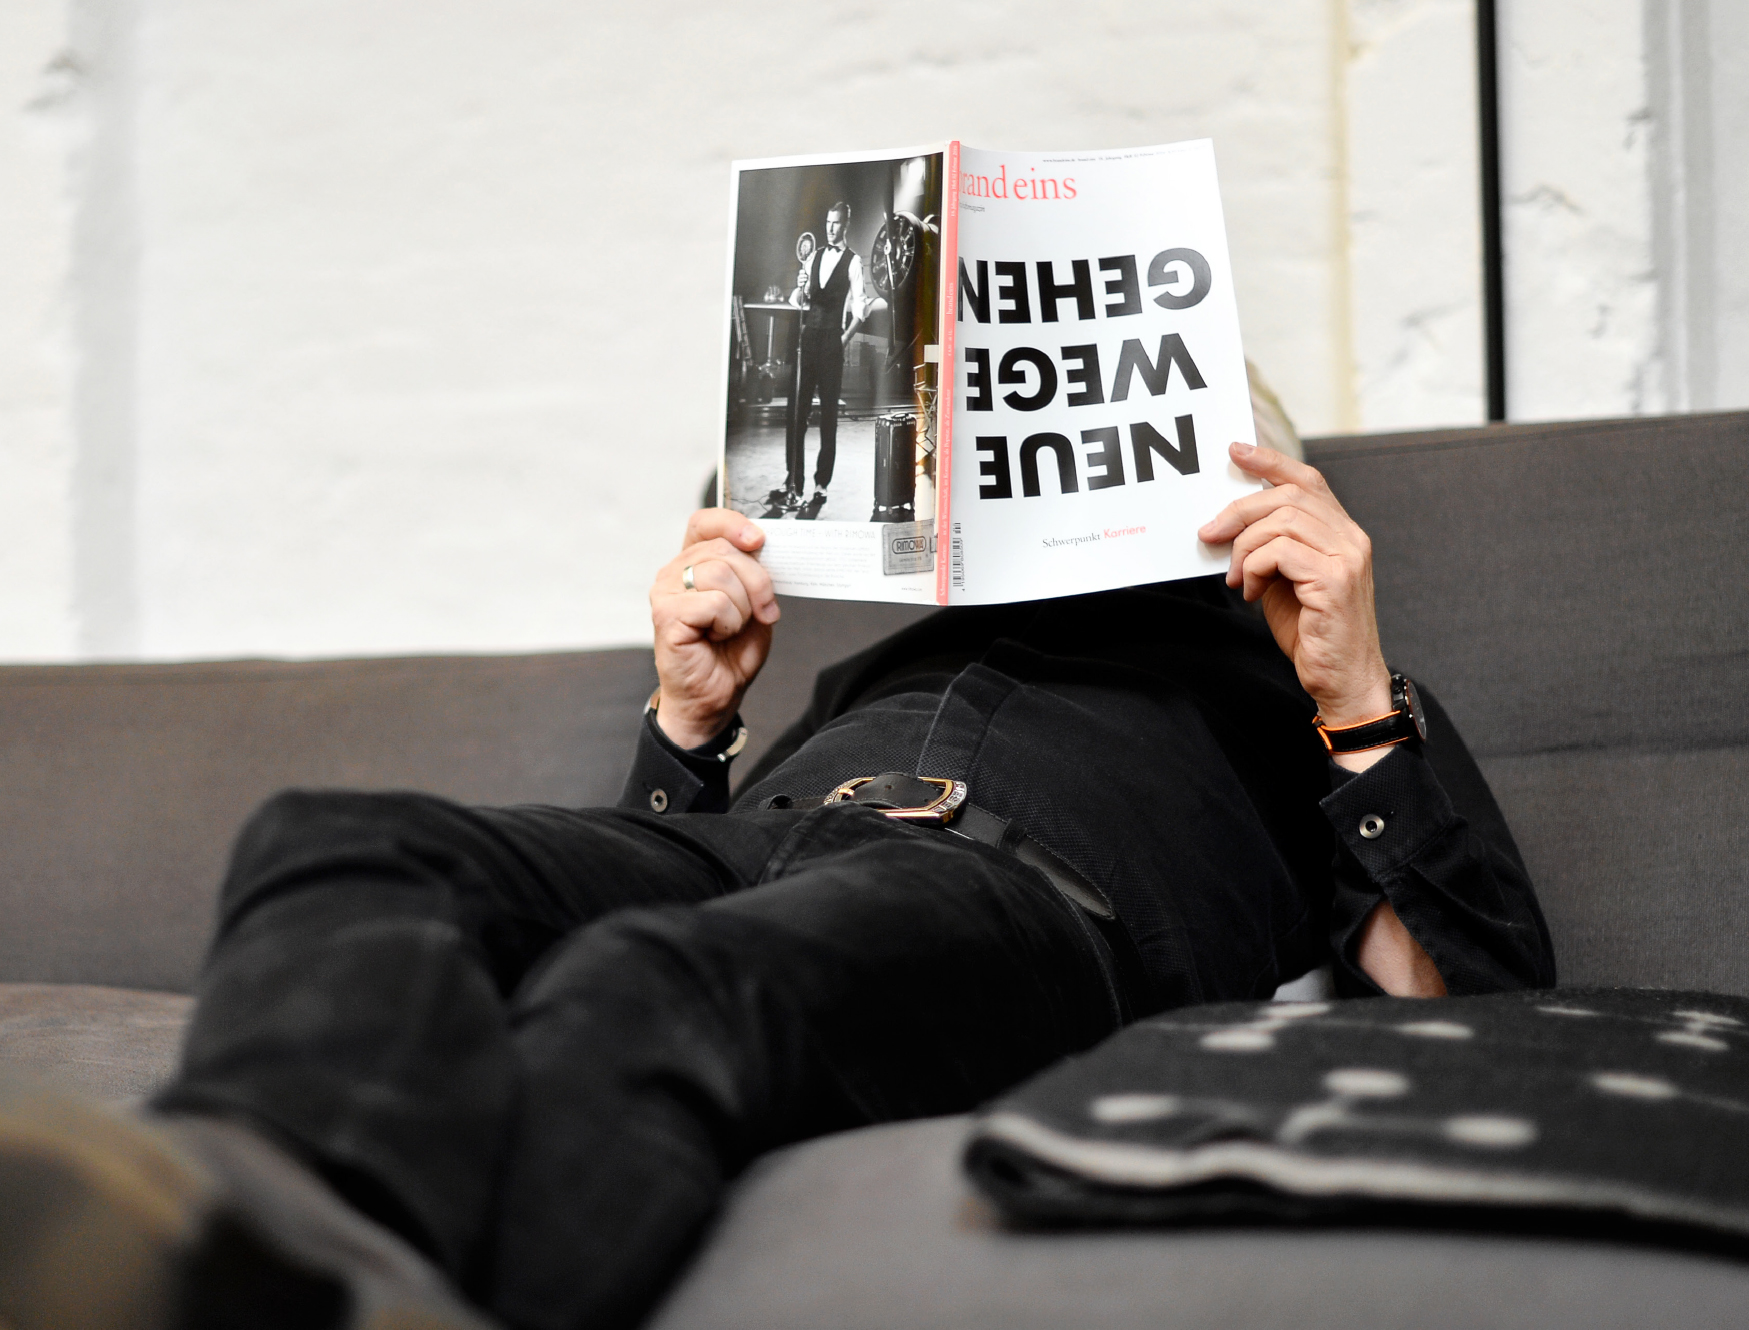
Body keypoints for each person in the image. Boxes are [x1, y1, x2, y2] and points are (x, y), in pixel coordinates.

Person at [0, 443, 1554, 1330]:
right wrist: (692, 722)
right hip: (773, 841)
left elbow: (1475, 1011)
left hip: (1030, 902)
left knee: (658, 984)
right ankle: (240, 1233)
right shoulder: (891, 656)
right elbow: (656, 879)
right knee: (336, 835)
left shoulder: (1316, 687)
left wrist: (1352, 694)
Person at [773, 200, 878, 520]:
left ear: (846, 225)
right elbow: (798, 300)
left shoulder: (853, 261)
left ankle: (821, 485)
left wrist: (842, 340)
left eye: (836, 223)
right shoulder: (814, 256)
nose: (830, 228)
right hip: (807, 341)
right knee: (796, 414)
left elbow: (861, 308)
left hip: (832, 342)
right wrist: (800, 288)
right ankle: (794, 481)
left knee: (829, 418)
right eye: (828, 222)